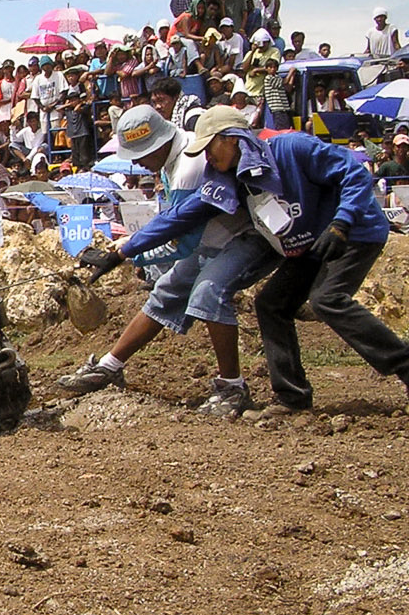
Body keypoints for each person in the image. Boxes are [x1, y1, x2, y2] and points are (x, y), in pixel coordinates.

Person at [185, 117, 409, 419]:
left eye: (210, 147)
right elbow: (184, 214)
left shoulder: (293, 147)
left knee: (327, 299)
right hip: (313, 244)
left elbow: (355, 173)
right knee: (271, 304)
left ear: (231, 138)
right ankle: (293, 398)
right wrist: (128, 249)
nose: (207, 157)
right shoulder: (237, 177)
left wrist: (342, 221)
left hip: (356, 231)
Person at [60, 106, 281, 417]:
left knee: (208, 292)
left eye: (141, 153)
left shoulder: (189, 166)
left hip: (245, 236)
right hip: (213, 239)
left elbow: (182, 241)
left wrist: (131, 256)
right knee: (166, 291)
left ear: (160, 144)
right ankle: (110, 366)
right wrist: (129, 247)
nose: (136, 161)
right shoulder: (172, 159)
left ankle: (232, 387)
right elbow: (172, 222)